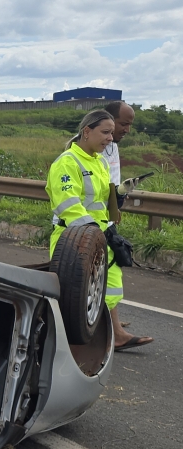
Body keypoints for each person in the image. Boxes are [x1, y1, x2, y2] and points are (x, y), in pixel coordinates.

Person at [46, 108, 152, 349]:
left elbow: (103, 199)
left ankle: (105, 336)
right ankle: (70, 344)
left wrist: (121, 192)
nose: (110, 139)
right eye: (105, 132)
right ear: (87, 131)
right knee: (74, 296)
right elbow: (67, 205)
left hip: (100, 238)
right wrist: (92, 233)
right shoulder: (67, 162)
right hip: (75, 240)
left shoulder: (100, 161)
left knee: (108, 290)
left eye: (111, 133)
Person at [101, 99, 136, 337]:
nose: (127, 129)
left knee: (108, 272)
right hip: (89, 223)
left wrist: (119, 197)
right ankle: (113, 330)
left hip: (105, 218)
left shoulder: (112, 146)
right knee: (107, 272)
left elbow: (109, 182)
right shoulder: (90, 147)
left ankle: (109, 322)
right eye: (123, 124)